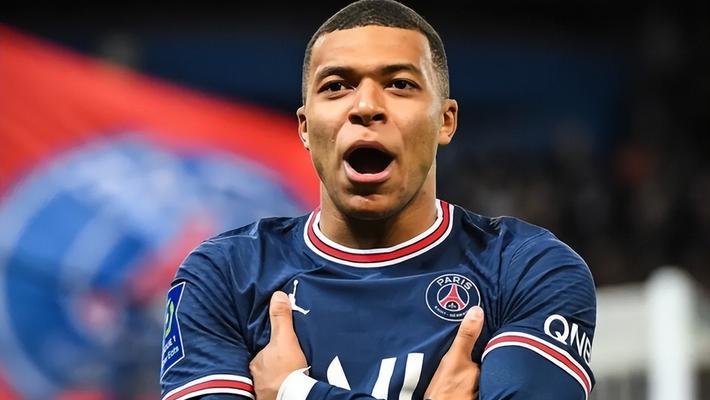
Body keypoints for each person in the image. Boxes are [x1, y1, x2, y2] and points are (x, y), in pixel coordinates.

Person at [159, 1, 597, 399]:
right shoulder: (223, 276)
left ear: (445, 121)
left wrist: (295, 391)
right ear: (305, 127)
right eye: (336, 86)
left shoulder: (529, 269)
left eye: (400, 84)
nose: (366, 106)